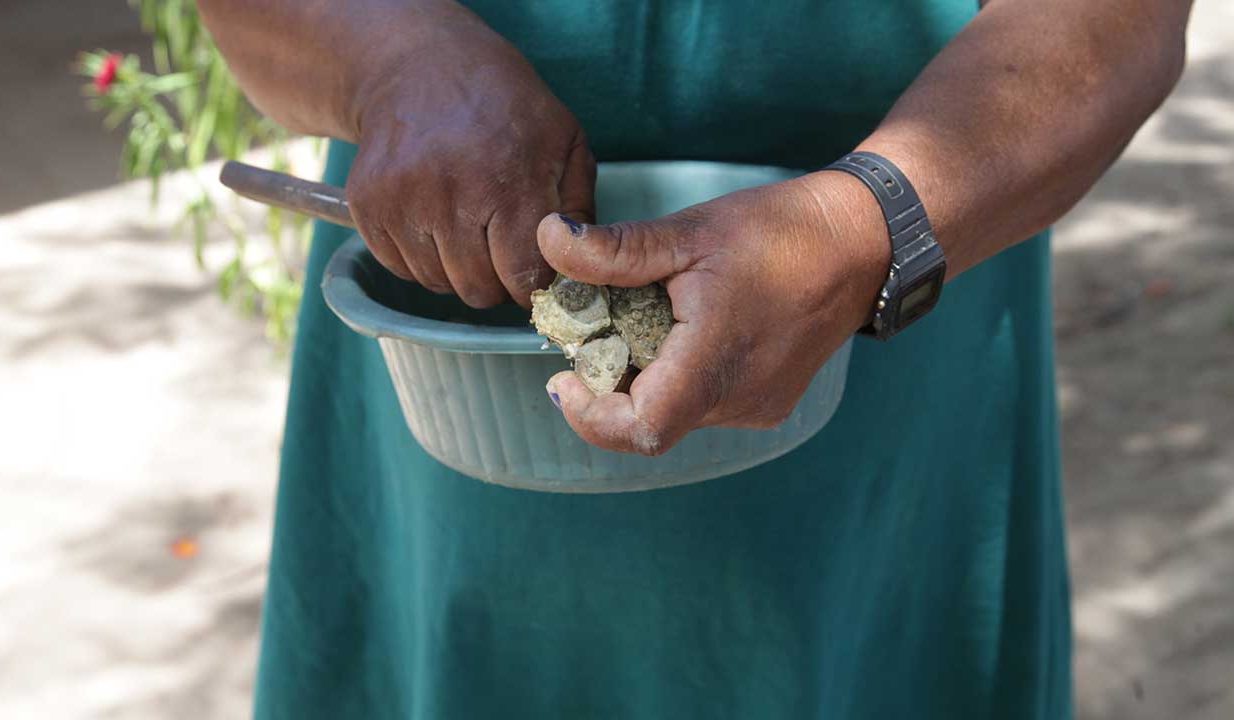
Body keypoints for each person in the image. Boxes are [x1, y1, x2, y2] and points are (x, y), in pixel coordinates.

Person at [197, 0, 1191, 717]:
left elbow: (1119, 17)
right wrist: (393, 58)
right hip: (442, 391)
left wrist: (862, 226)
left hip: (899, 367)